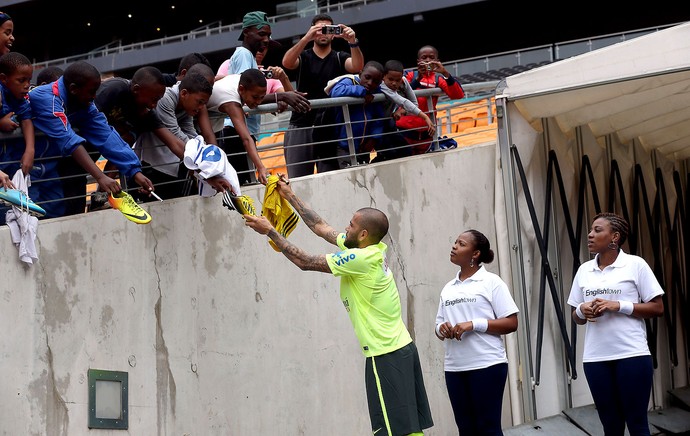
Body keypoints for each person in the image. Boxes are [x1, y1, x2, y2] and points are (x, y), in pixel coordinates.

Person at [244, 175, 434, 436]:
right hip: (400, 350)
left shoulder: (361, 259)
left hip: (386, 355)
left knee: (394, 431)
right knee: (407, 429)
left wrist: (270, 231)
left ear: (364, 234)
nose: (346, 227)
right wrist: (289, 195)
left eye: (352, 224)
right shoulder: (369, 248)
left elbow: (305, 262)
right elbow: (321, 226)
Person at [567, 212, 664, 436]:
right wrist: (583, 309)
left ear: (615, 237)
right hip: (596, 359)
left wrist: (618, 305)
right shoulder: (584, 270)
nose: (590, 235)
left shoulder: (635, 265)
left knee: (637, 423)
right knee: (610, 425)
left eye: (597, 230)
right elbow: (576, 316)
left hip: (631, 355)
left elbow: (657, 308)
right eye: (590, 230)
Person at [29, 60, 155, 217]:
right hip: (20, 167)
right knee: (21, 220)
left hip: (49, 168)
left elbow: (105, 134)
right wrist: (100, 177)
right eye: (91, 91)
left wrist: (134, 171)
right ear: (74, 89)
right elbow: (69, 140)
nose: (95, 96)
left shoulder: (83, 103)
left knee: (53, 218)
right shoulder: (47, 99)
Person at [435, 229, 519, 435]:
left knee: (487, 428)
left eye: (461, 244)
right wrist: (442, 329)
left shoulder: (492, 282)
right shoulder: (449, 288)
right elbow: (438, 325)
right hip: (455, 368)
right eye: (455, 242)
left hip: (487, 365)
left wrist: (473, 324)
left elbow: (511, 322)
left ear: (475, 254)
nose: (454, 246)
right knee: (465, 429)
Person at [215, 11, 309, 186]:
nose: (266, 40)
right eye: (261, 34)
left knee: (245, 183)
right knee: (242, 184)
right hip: (236, 130)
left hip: (243, 130)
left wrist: (283, 96)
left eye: (268, 35)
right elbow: (243, 95)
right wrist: (282, 96)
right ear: (246, 33)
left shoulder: (247, 55)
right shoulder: (243, 54)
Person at [281, 13, 364, 178]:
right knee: (298, 180)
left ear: (334, 34)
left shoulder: (340, 57)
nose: (323, 33)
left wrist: (352, 41)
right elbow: (287, 63)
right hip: (301, 124)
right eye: (319, 29)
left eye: (327, 29)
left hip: (330, 126)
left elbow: (356, 66)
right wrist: (306, 38)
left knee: (330, 179)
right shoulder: (304, 57)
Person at [133, 64, 215, 201]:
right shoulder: (165, 99)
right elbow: (176, 134)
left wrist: (205, 151)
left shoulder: (186, 104)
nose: (201, 108)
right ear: (184, 94)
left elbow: (189, 131)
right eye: (199, 102)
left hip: (169, 164)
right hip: (149, 163)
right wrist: (202, 156)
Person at [207, 69, 270, 186]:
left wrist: (280, 96)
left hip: (213, 129)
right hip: (199, 132)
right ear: (241, 89)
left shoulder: (240, 79)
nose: (258, 102)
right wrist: (261, 167)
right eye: (255, 97)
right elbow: (246, 139)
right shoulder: (231, 102)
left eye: (262, 97)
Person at [398, 45, 464, 155]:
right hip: (404, 134)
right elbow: (400, 94)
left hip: (426, 137)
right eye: (424, 57)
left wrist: (445, 73)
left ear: (437, 61)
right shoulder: (408, 75)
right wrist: (418, 78)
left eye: (432, 57)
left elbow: (458, 95)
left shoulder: (439, 79)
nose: (428, 60)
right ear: (418, 61)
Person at [324, 60, 386, 168]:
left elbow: (379, 117)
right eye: (367, 77)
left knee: (363, 178)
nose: (370, 83)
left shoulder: (377, 91)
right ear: (360, 73)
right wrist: (362, 92)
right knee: (348, 176)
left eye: (375, 81)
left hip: (364, 147)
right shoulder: (350, 81)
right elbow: (336, 91)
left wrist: (374, 138)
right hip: (345, 144)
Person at [374, 59, 435, 162]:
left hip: (389, 123)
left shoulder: (404, 81)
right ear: (383, 76)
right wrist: (425, 117)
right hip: (376, 126)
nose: (394, 83)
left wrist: (402, 111)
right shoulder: (382, 86)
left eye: (397, 80)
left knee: (406, 150)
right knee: (388, 154)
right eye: (390, 79)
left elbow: (413, 103)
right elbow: (402, 101)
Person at [0, 52, 35, 223]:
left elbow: (27, 119)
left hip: (10, 166)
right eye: (21, 81)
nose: (27, 85)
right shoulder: (1, 92)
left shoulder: (20, 99)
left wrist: (30, 149)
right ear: (4, 79)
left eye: (29, 80)